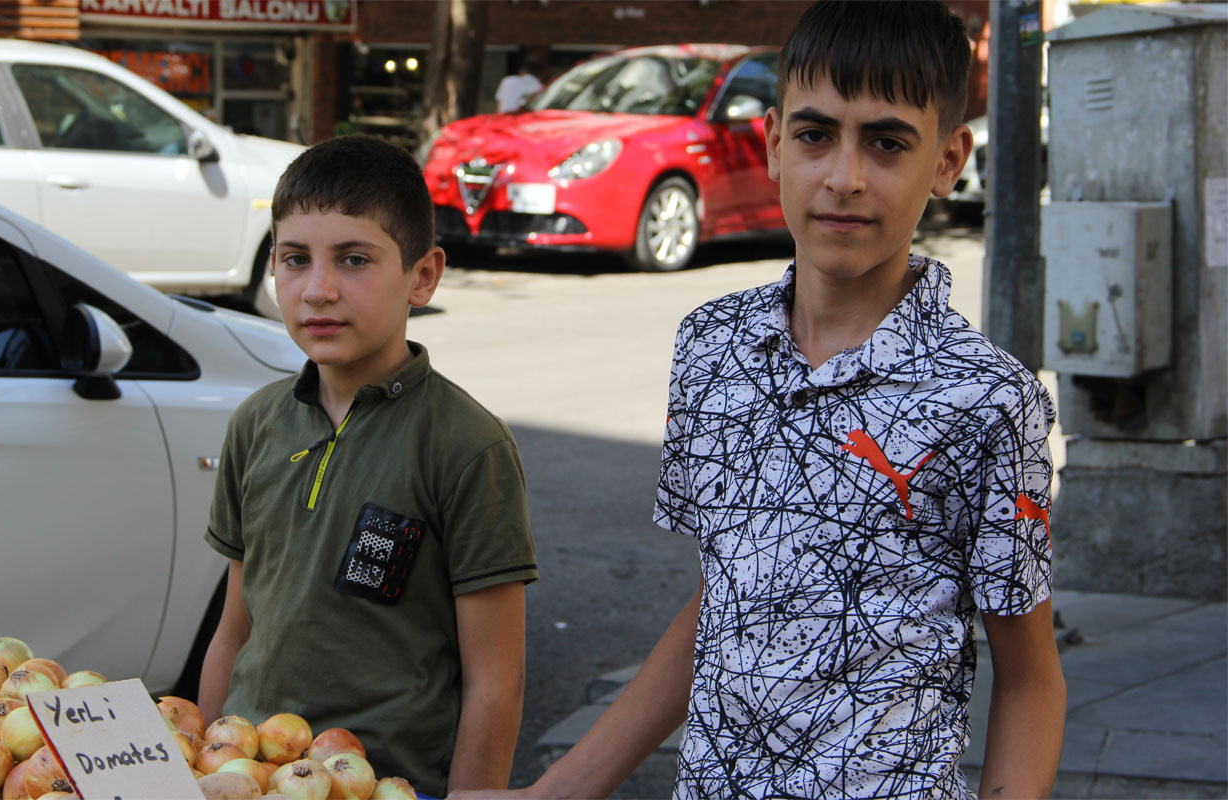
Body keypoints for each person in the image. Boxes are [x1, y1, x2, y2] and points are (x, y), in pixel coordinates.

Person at [452, 2, 1065, 798]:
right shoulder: (712, 348)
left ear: (948, 161)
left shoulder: (989, 399)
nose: (843, 176)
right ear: (774, 143)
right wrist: (555, 791)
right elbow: (725, 602)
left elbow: (1030, 680)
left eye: (886, 143)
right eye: (815, 136)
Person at [198, 134, 539, 798]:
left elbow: (496, 682)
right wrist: (205, 759)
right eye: (295, 259)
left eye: (354, 260)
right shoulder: (255, 424)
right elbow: (234, 629)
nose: (318, 290)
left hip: (390, 785)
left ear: (423, 275)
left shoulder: (467, 445)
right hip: (255, 777)